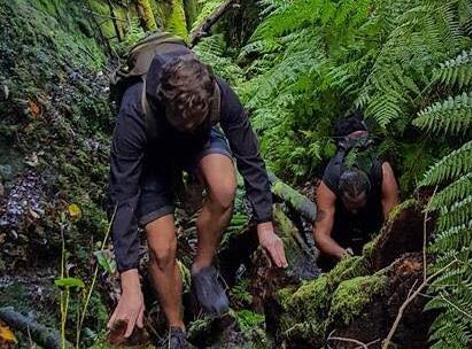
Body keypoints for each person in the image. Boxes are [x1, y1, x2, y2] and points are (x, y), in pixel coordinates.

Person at [106, 34, 287, 348]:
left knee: (224, 187)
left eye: (196, 118)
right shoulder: (135, 109)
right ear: (165, 103)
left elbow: (249, 156)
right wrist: (129, 279)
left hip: (199, 143)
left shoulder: (216, 94)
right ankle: (177, 329)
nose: (189, 123)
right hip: (152, 158)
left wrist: (265, 225)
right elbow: (123, 195)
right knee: (162, 249)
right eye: (183, 119)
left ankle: (203, 267)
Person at [314, 114, 399, 271]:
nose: (355, 209)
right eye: (351, 205)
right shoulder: (330, 181)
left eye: (358, 204)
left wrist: (380, 249)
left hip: (373, 224)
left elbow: (393, 223)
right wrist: (342, 255)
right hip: (341, 232)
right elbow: (320, 235)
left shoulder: (383, 173)